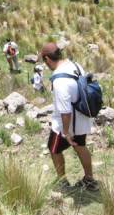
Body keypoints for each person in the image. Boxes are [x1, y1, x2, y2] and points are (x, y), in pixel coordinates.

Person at [38, 42, 98, 191]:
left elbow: (65, 112)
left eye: (44, 61)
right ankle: (89, 179)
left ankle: (63, 182)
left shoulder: (59, 80)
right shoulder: (74, 65)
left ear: (47, 59)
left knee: (53, 149)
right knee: (81, 147)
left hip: (67, 124)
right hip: (82, 117)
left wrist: (66, 133)